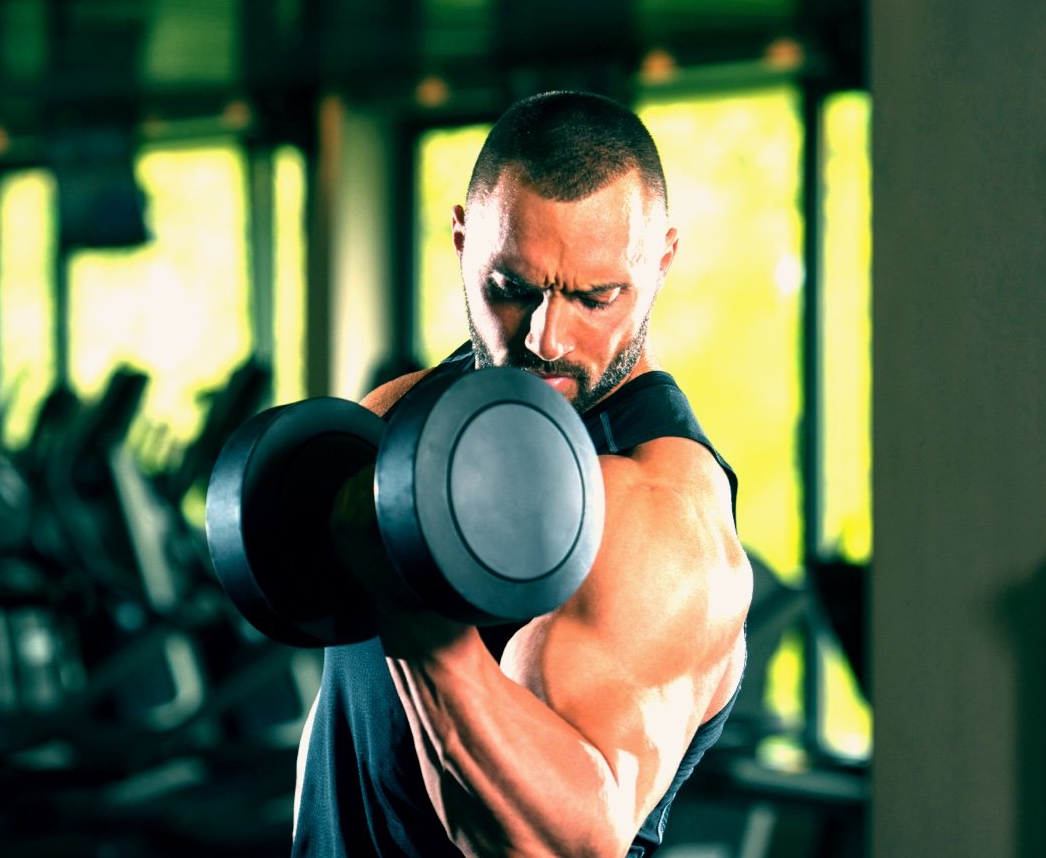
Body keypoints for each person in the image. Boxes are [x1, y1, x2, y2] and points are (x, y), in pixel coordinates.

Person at [293, 90, 753, 857]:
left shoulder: (652, 513)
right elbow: (348, 724)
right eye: (512, 288)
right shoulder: (398, 414)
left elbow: (554, 849)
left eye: (596, 297)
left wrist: (415, 615)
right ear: (462, 238)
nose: (546, 336)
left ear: (663, 259)